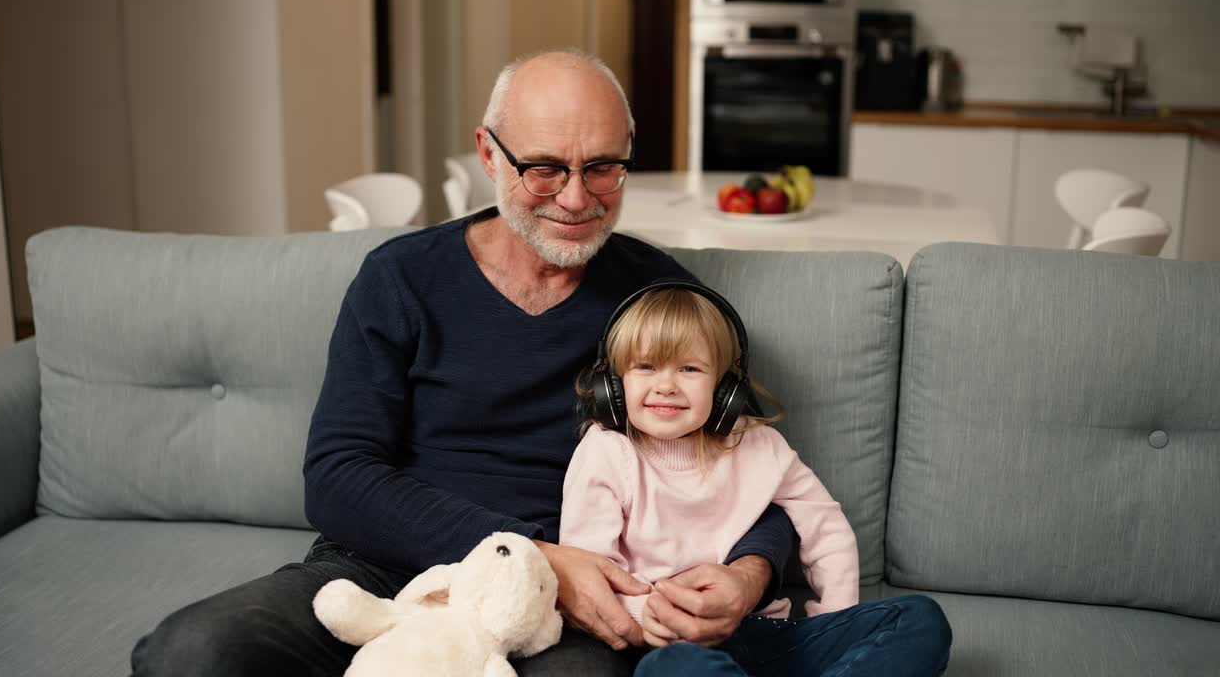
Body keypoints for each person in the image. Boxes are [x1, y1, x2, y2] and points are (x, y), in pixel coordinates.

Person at [129, 48, 796, 677]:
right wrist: (532, 552)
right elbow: (336, 477)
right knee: (192, 652)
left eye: (602, 167)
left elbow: (753, 476)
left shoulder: (662, 301)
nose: (575, 197)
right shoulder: (401, 279)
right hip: (388, 568)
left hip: (566, 607)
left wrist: (748, 576)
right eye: (544, 168)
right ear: (488, 154)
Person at [563, 282, 953, 676]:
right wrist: (659, 618)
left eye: (689, 369)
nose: (666, 385)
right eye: (646, 366)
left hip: (765, 633)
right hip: (671, 645)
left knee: (918, 618)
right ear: (613, 385)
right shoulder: (606, 453)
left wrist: (834, 616)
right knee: (680, 667)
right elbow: (594, 572)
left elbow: (826, 527)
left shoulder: (758, 445)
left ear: (724, 390)